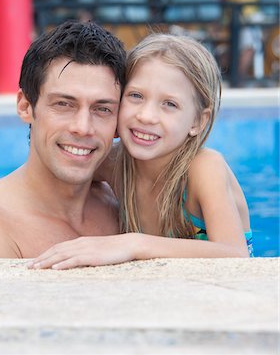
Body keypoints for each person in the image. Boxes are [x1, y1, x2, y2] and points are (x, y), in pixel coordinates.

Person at [28, 32, 253, 270]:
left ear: (198, 121)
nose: (146, 116)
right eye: (136, 96)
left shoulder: (204, 168)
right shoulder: (114, 163)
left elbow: (235, 255)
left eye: (170, 104)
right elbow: (51, 177)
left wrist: (132, 245)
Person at [0, 20, 126, 258]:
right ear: (25, 107)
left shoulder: (123, 204)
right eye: (63, 104)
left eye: (102, 109)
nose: (83, 128)